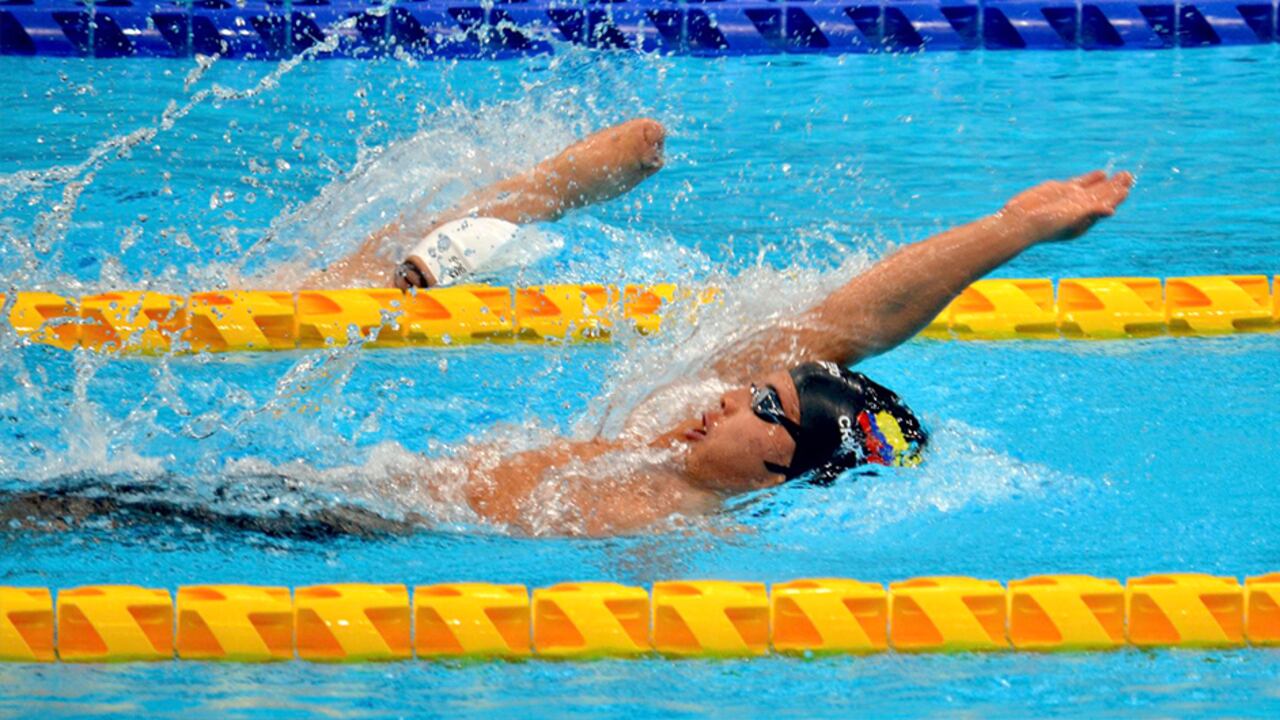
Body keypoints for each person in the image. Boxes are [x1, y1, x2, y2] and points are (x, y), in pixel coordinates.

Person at [303, 118, 1133, 536]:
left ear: (782, 468)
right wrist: (1012, 228)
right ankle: (545, 190)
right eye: (751, 390)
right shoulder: (669, 435)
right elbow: (856, 320)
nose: (731, 397)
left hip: (348, 529)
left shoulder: (681, 529)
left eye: (760, 405)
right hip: (349, 484)